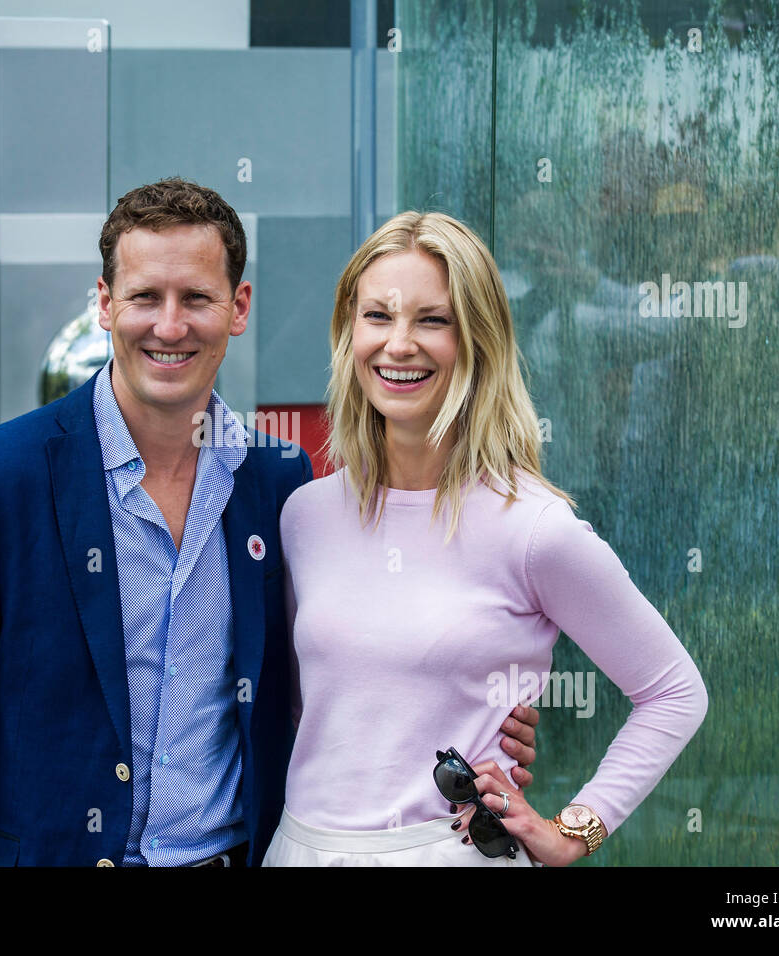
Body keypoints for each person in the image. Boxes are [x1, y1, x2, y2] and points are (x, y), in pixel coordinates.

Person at [0, 179, 542, 866]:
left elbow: (342, 668)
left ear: (239, 307)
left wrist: (477, 712)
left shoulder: (279, 482)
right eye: (145, 297)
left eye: (196, 297)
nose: (170, 326)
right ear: (106, 305)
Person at [263, 211, 708, 867]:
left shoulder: (532, 529)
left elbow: (673, 692)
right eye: (378, 317)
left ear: (479, 341)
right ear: (348, 333)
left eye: (432, 320)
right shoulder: (305, 514)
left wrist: (574, 831)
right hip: (301, 849)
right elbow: (319, 707)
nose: (399, 344)